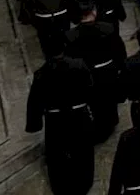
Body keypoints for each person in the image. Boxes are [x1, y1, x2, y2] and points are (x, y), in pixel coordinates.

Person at [26, 45, 95, 195]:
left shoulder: (41, 74)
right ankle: (84, 182)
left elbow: (35, 101)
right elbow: (90, 88)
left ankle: (61, 187)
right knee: (83, 150)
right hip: (79, 116)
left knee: (57, 154)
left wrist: (34, 123)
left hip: (56, 120)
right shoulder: (79, 65)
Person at [63, 2, 127, 142]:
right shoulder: (108, 28)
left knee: (93, 102)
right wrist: (120, 67)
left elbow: (70, 59)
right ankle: (110, 122)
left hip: (86, 74)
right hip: (107, 71)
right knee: (109, 100)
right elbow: (119, 51)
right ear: (93, 12)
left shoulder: (71, 36)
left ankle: (98, 126)